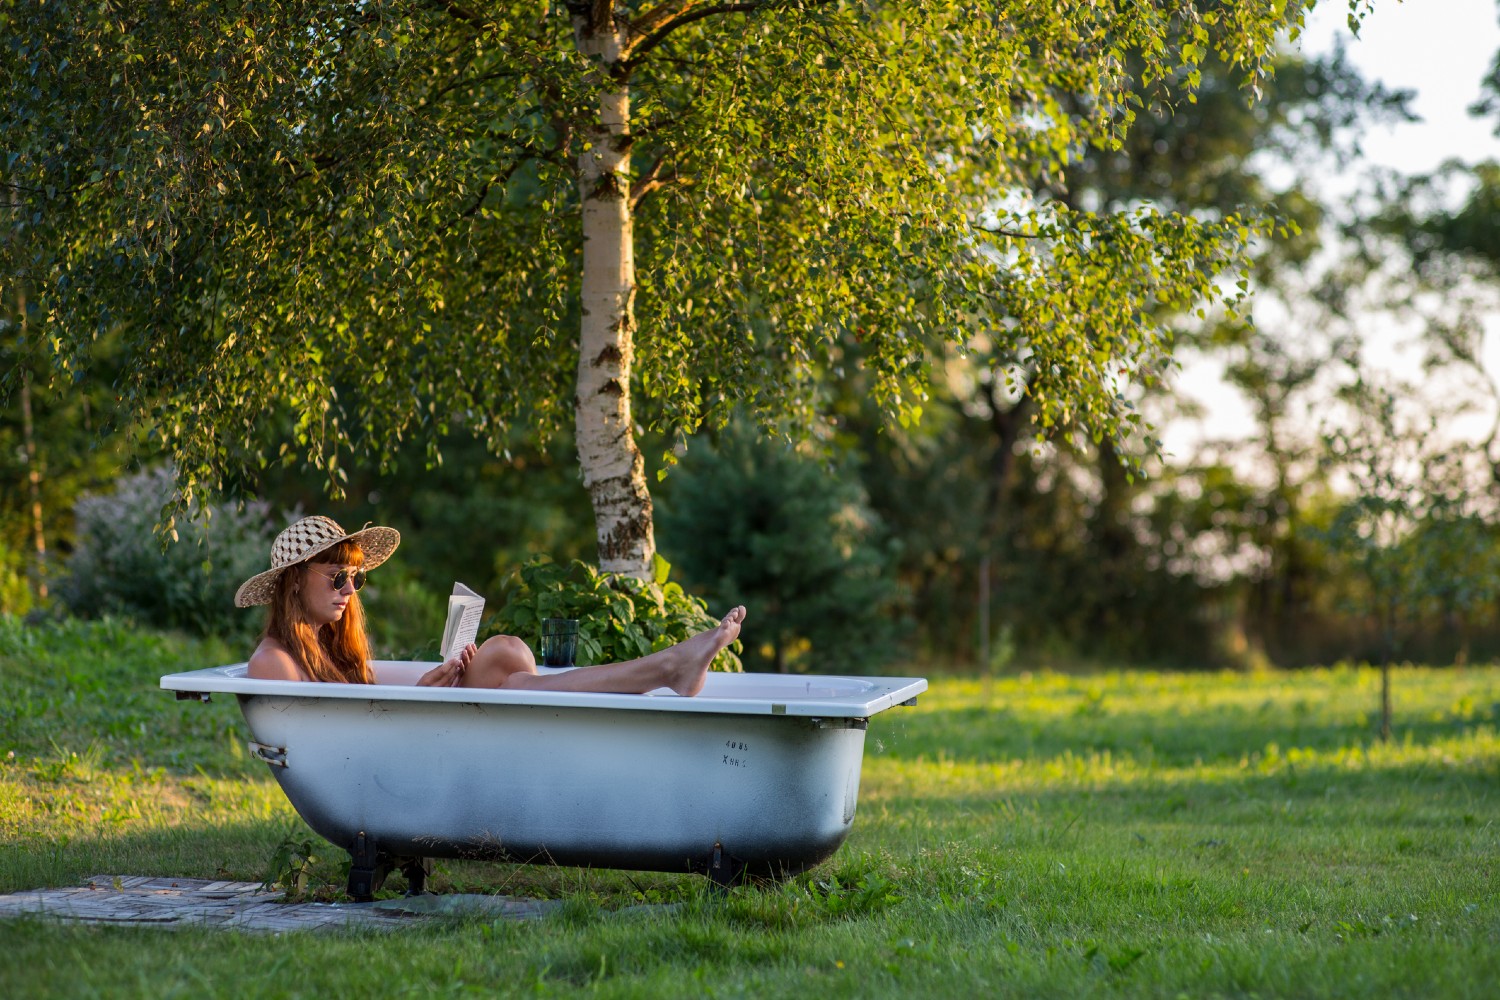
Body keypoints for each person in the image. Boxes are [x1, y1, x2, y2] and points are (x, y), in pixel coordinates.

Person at [235, 515, 745, 695]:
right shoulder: (273, 663)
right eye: (338, 577)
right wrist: (421, 696)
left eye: (356, 579)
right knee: (515, 675)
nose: (350, 591)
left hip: (410, 748)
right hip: (403, 762)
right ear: (294, 583)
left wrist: (433, 682)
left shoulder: (329, 648)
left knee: (505, 652)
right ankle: (666, 668)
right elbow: (343, 747)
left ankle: (668, 669)